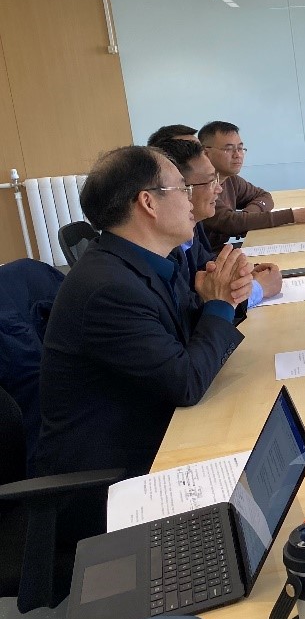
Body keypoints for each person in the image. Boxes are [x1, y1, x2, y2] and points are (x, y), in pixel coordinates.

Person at [37, 146, 252, 487]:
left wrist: (228, 295)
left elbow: (183, 337)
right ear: (148, 203)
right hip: (114, 476)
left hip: (157, 430)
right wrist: (220, 303)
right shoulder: (108, 290)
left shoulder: (145, 261)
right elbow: (186, 382)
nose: (191, 200)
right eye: (182, 188)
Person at [152, 137, 283, 306]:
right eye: (210, 181)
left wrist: (243, 274)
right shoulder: (163, 247)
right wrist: (258, 289)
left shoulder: (191, 227)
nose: (219, 189)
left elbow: (209, 269)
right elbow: (195, 306)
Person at [198, 120, 305, 251]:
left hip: (223, 250)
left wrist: (247, 216)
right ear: (206, 153)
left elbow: (264, 196)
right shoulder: (199, 186)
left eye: (240, 148)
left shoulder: (231, 179)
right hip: (207, 257)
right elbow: (231, 223)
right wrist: (292, 216)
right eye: (228, 149)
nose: (237, 155)